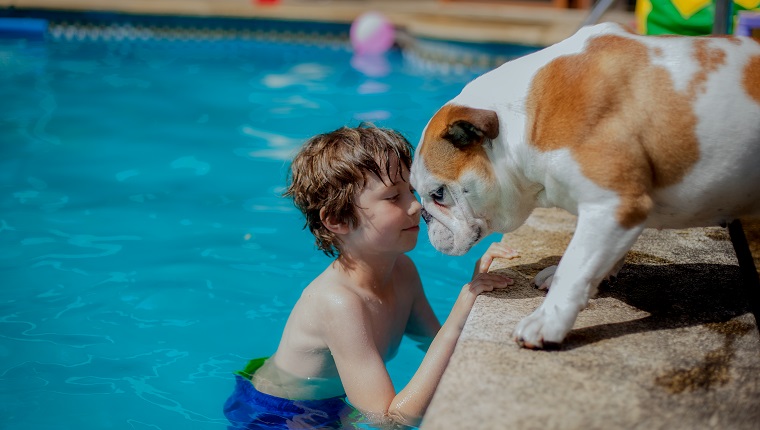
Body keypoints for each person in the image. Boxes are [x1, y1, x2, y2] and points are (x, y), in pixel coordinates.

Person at [223, 124, 518, 429]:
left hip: (332, 402)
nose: (416, 206)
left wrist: (475, 289)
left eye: (412, 191)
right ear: (338, 220)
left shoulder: (403, 271)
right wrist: (459, 313)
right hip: (278, 413)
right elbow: (391, 419)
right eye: (393, 197)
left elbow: (437, 346)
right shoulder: (338, 303)